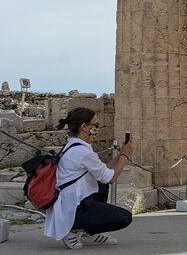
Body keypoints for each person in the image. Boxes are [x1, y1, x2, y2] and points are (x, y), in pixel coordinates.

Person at [44, 107, 134, 249]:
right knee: (125, 218)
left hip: (71, 200)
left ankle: (89, 232)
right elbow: (111, 177)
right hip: (73, 207)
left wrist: (119, 154)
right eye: (95, 125)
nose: (98, 128)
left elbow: (103, 171)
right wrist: (125, 156)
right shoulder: (82, 152)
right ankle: (73, 229)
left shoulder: (74, 145)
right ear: (84, 127)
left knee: (101, 184)